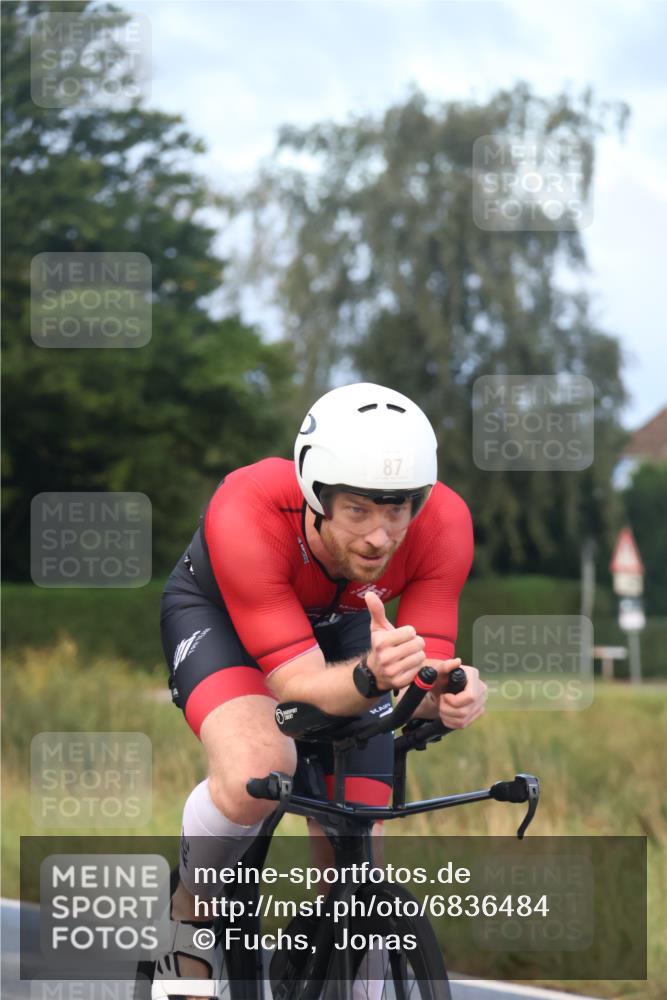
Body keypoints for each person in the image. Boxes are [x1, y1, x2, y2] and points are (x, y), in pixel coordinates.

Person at [154, 382, 487, 999]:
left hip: (352, 631)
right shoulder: (248, 507)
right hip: (225, 618)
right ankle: (188, 917)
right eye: (358, 510)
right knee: (259, 765)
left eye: (397, 510)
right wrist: (373, 677)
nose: (380, 538)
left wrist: (453, 690)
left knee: (357, 834)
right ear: (315, 494)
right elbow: (298, 690)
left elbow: (428, 667)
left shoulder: (444, 522)